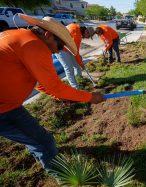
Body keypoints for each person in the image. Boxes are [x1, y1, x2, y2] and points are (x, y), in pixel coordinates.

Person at [0, 14, 105, 171]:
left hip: (10, 105)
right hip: (3, 109)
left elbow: (40, 83)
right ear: (48, 35)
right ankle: (63, 177)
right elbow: (55, 86)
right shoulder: (33, 45)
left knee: (37, 140)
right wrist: (90, 97)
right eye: (60, 45)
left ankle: (44, 156)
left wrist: (59, 96)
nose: (60, 50)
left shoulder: (20, 37)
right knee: (43, 141)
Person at [55, 23, 92, 89]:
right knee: (69, 68)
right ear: (86, 32)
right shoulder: (77, 34)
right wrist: (81, 64)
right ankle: (75, 87)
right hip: (60, 49)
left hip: (68, 48)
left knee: (77, 65)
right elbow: (76, 52)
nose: (87, 38)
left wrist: (79, 63)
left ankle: (79, 79)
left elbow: (74, 50)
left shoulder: (77, 28)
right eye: (88, 36)